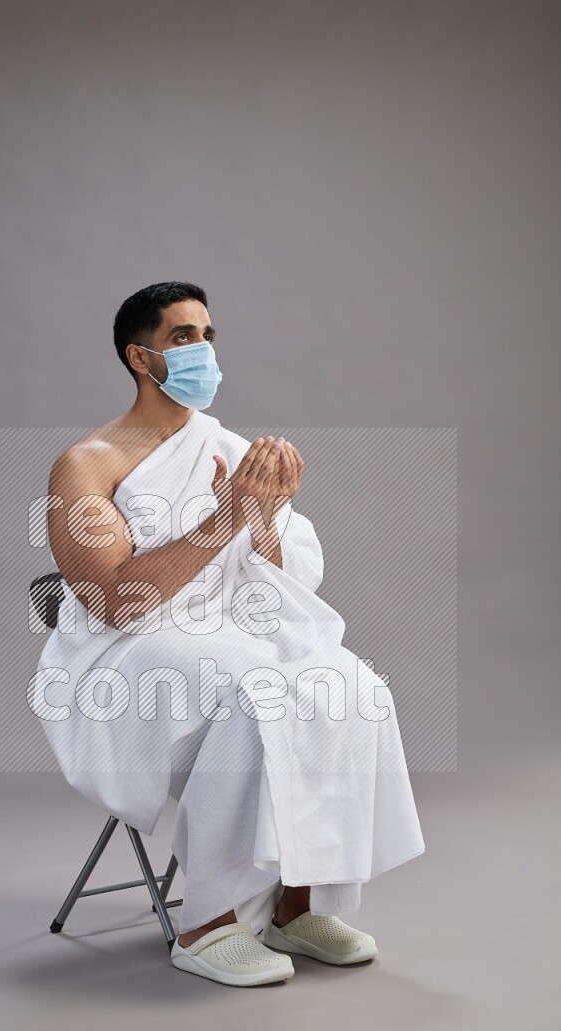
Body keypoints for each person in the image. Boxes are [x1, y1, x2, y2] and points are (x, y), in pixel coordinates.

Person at [32, 281, 426, 988]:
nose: (203, 350)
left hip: (225, 630)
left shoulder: (229, 449)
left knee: (346, 684)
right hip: (125, 653)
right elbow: (118, 602)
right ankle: (208, 924)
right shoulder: (86, 464)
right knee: (255, 693)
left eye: (208, 335)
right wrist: (226, 517)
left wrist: (263, 515)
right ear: (139, 357)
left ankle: (298, 905)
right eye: (183, 337)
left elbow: (283, 578)